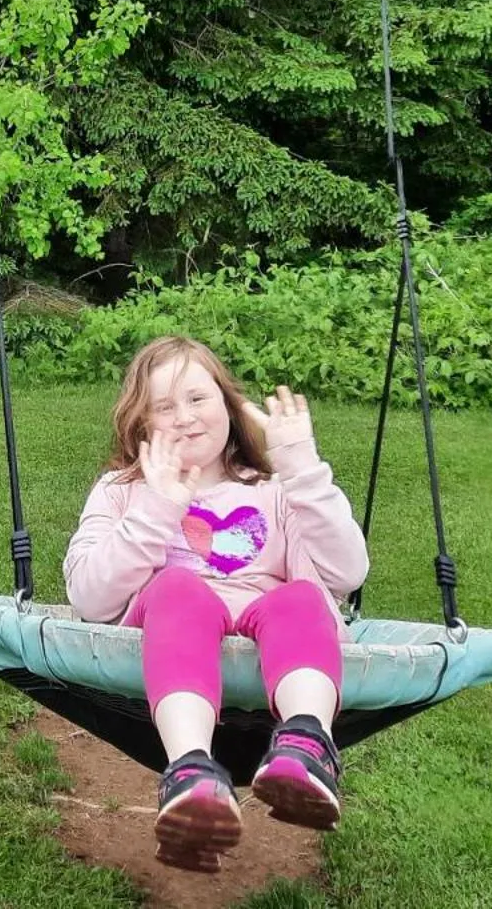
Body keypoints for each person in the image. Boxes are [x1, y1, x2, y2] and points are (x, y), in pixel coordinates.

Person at [64, 335, 368, 871]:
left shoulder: (277, 491)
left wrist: (302, 470)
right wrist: (158, 505)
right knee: (181, 588)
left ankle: (305, 746)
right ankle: (190, 771)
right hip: (172, 625)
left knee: (300, 597)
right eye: (164, 406)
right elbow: (89, 597)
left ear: (227, 404)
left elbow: (347, 572)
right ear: (140, 423)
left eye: (197, 398)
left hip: (269, 623)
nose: (183, 417)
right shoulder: (121, 490)